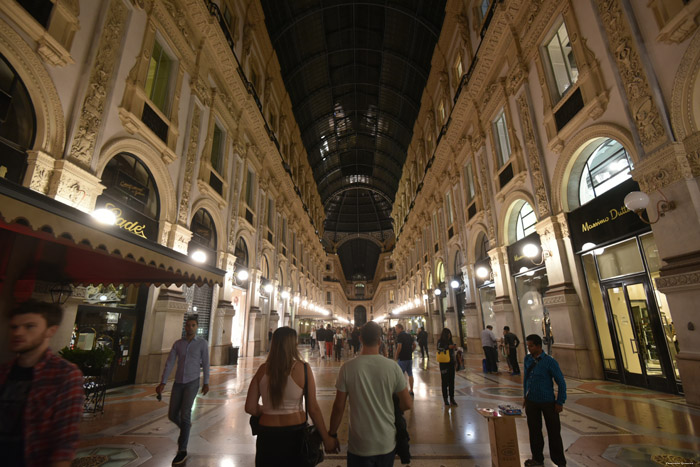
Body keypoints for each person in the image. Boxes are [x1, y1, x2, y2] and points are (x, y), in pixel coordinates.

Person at [0, 300, 84, 467]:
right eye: (14, 327)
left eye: (29, 326)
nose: (18, 333)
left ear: (50, 330)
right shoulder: (3, 372)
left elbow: (64, 440)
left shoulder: (65, 374)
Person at [245, 327, 337, 466]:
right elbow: (313, 409)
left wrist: (266, 410)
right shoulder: (303, 369)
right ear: (294, 345)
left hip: (267, 435)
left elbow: (250, 407)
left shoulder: (262, 370)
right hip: (295, 434)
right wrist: (326, 438)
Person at [328, 322, 413, 466]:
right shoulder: (392, 367)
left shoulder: (348, 368)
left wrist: (332, 434)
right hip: (386, 441)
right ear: (380, 341)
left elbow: (338, 407)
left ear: (360, 339)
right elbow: (407, 403)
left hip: (359, 443)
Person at [156, 316, 210, 465]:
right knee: (173, 414)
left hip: (192, 382)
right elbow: (169, 363)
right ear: (185, 327)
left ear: (196, 327)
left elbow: (206, 363)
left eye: (193, 325)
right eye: (188, 325)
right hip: (178, 383)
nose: (190, 328)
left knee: (185, 413)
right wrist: (163, 382)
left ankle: (182, 450)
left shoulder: (202, 344)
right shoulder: (178, 344)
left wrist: (206, 382)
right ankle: (185, 427)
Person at [523, 334, 567, 467]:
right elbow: (526, 380)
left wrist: (560, 401)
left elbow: (561, 382)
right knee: (534, 431)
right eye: (528, 346)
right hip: (532, 401)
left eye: (531, 346)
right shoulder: (527, 359)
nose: (529, 348)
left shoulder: (549, 361)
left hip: (547, 401)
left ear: (538, 346)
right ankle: (537, 458)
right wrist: (525, 396)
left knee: (553, 432)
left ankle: (559, 461)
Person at [437, 328, 458, 407]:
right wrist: (447, 347)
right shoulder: (440, 341)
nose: (449, 336)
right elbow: (438, 349)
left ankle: (452, 398)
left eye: (450, 334)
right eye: (448, 334)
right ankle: (445, 399)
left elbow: (452, 352)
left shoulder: (450, 341)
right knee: (444, 381)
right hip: (443, 364)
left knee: (451, 381)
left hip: (451, 363)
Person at [394, 323, 416, 396]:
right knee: (410, 374)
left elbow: (399, 347)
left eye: (396, 329)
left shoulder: (400, 336)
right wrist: (411, 351)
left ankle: (401, 391)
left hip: (402, 358)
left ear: (400, 328)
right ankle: (411, 390)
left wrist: (396, 356)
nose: (396, 331)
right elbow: (414, 345)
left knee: (399, 375)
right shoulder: (409, 335)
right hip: (409, 358)